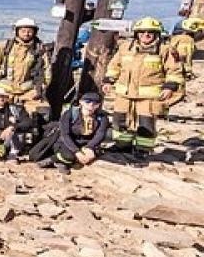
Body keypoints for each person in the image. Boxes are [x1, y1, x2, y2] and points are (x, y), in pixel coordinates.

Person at [104, 17, 182, 157]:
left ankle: (143, 149)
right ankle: (122, 145)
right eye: (142, 32)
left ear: (157, 34)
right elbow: (114, 66)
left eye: (150, 32)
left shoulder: (165, 50)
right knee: (119, 120)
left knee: (146, 124)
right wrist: (109, 81)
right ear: (137, 34)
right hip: (124, 93)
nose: (146, 35)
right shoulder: (125, 48)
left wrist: (169, 87)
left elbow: (174, 71)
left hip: (149, 97)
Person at [0, 18, 48, 120]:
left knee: (42, 113)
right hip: (4, 90)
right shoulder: (5, 46)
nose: (26, 34)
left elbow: (46, 72)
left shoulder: (40, 50)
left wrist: (39, 89)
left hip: (28, 92)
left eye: (30, 31)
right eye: (23, 31)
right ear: (17, 31)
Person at [41, 93, 111, 173]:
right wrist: (76, 151)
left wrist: (90, 147)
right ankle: (54, 159)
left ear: (98, 105)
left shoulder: (102, 117)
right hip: (67, 142)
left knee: (92, 156)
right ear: (81, 102)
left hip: (86, 143)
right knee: (69, 156)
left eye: (95, 103)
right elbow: (65, 135)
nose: (91, 105)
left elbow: (100, 134)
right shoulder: (69, 114)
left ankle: (63, 162)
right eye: (88, 101)